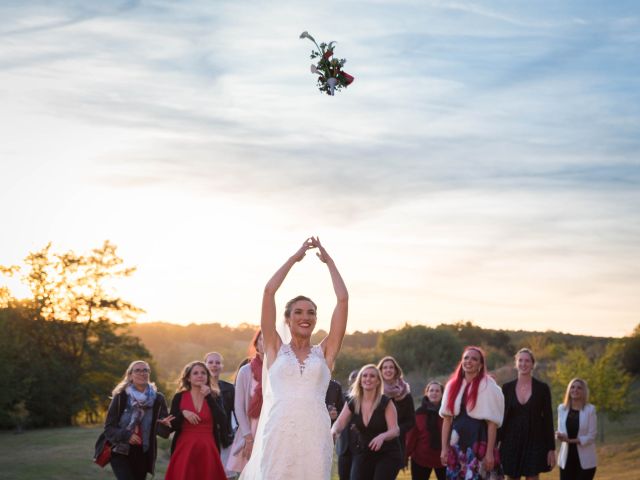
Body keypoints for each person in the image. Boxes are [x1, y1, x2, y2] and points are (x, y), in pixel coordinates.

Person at [239, 237, 349, 480]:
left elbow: (343, 300)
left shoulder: (325, 352)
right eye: (298, 312)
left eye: (311, 312)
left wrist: (329, 262)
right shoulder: (275, 348)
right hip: (279, 430)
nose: (305, 316)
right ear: (288, 319)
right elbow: (268, 292)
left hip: (315, 432)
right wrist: (294, 259)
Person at [439, 346, 505, 480]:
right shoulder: (452, 386)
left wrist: (489, 453)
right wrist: (444, 448)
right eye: (466, 358)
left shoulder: (489, 386)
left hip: (480, 441)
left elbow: (492, 424)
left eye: (474, 359)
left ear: (480, 365)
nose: (469, 361)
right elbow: (447, 420)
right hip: (457, 441)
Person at [101, 360, 173, 480]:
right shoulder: (121, 397)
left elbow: (164, 434)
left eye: (145, 370)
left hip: (143, 453)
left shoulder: (158, 399)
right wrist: (127, 435)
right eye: (137, 370)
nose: (142, 373)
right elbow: (109, 429)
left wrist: (164, 425)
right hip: (120, 451)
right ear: (130, 375)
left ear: (149, 374)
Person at [332, 364, 402, 480]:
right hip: (364, 452)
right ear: (360, 380)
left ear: (378, 381)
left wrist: (383, 436)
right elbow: (340, 423)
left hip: (388, 454)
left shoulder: (386, 402)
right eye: (364, 376)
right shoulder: (353, 402)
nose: (368, 379)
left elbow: (395, 430)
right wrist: (333, 431)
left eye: (372, 376)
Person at [164, 361, 229, 480]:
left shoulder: (214, 396)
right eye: (195, 373)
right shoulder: (179, 397)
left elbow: (223, 420)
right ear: (188, 378)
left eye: (203, 373)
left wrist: (208, 397)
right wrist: (182, 413)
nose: (200, 375)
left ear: (207, 377)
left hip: (208, 448)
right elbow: (173, 425)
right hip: (185, 447)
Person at [498, 348, 555, 480]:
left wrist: (551, 448)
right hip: (511, 441)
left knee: (533, 476)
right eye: (520, 360)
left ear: (532, 364)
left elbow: (548, 419)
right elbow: (502, 418)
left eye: (527, 361)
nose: (523, 364)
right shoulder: (506, 388)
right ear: (516, 363)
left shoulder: (542, 388)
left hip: (535, 440)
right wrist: (496, 443)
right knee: (511, 477)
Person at [226, 330, 264, 476]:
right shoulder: (245, 371)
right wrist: (248, 437)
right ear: (256, 344)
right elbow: (239, 407)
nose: (266, 343)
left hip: (274, 428)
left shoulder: (279, 370)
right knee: (251, 474)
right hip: (252, 430)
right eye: (262, 339)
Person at [556, 378, 597, 480]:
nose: (575, 390)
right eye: (572, 387)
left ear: (584, 391)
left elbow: (591, 436)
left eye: (579, 388)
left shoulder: (590, 409)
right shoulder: (562, 408)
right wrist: (558, 435)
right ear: (569, 390)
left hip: (586, 461)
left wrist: (571, 440)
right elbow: (561, 430)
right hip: (566, 459)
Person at [378, 355, 416, 464]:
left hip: (397, 442)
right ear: (380, 371)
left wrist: (396, 430)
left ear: (396, 370)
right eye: (385, 367)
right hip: (375, 439)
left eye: (391, 367)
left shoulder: (405, 394)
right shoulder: (374, 392)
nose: (388, 370)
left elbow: (411, 421)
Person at [406, 381, 446, 480]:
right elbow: (411, 437)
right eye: (431, 390)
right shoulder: (418, 414)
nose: (434, 393)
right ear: (426, 393)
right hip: (421, 459)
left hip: (444, 459)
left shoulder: (448, 413)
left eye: (437, 391)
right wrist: (405, 455)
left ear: (442, 394)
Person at [205, 351, 236, 476]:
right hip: (206, 438)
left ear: (222, 366)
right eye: (210, 362)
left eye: (218, 363)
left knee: (226, 475)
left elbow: (237, 413)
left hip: (225, 438)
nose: (214, 365)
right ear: (204, 365)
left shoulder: (229, 388)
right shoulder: (197, 388)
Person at [337, 369, 360, 480]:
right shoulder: (340, 397)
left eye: (357, 378)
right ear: (349, 381)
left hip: (360, 448)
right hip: (343, 447)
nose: (355, 381)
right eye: (353, 379)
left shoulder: (368, 399)